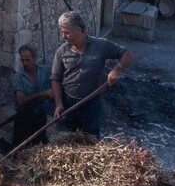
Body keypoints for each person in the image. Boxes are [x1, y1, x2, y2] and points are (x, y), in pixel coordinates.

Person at [50, 10, 135, 139]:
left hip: (91, 105)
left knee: (90, 142)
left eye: (66, 33)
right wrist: (59, 104)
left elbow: (127, 54)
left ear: (78, 30)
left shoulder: (101, 45)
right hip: (68, 105)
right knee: (63, 142)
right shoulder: (61, 52)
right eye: (62, 33)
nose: (63, 36)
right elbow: (55, 79)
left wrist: (117, 69)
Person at [12, 44, 53, 147]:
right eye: (23, 60)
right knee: (20, 148)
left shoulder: (46, 71)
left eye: (28, 60)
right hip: (24, 118)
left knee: (40, 146)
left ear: (34, 58)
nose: (25, 63)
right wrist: (41, 94)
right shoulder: (18, 77)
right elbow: (21, 100)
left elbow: (57, 82)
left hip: (42, 116)